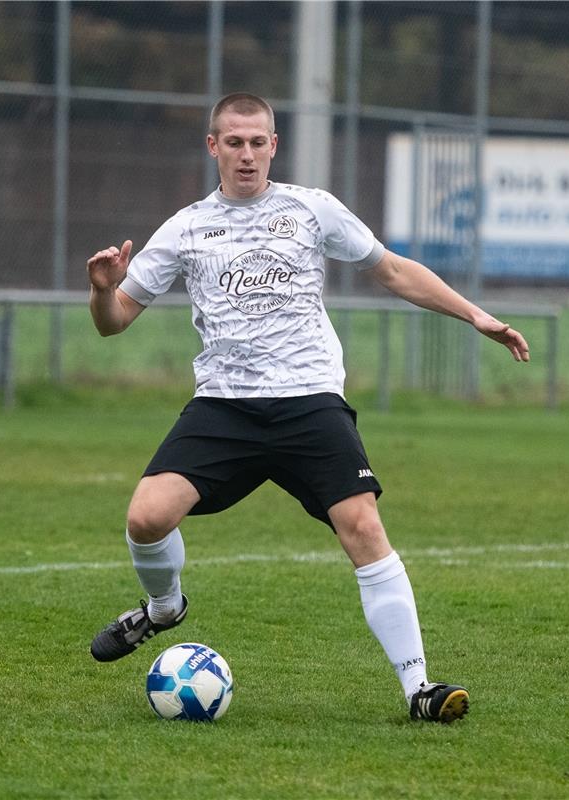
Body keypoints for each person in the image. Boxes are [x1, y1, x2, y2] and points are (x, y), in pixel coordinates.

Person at [86, 93, 529, 724]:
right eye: (233, 142)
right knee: (147, 519)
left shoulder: (310, 209)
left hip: (310, 402)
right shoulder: (185, 227)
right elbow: (114, 321)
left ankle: (419, 689)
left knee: (364, 528)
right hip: (225, 406)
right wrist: (102, 291)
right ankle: (163, 611)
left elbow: (395, 270)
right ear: (213, 147)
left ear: (274, 145)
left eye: (257, 141)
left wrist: (478, 316)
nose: (247, 153)